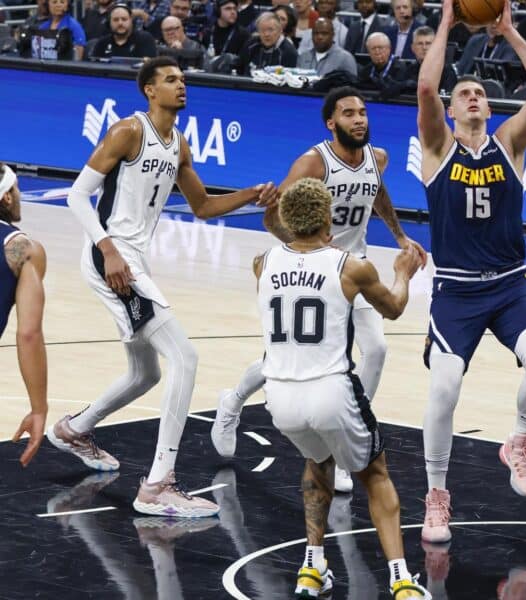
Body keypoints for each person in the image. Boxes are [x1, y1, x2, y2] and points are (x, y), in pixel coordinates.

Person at [50, 57, 279, 518]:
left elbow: (203, 207)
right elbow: (76, 194)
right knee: (185, 357)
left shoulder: (180, 144)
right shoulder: (127, 131)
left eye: (183, 78)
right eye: (171, 80)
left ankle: (74, 430)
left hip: (132, 258)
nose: (182, 85)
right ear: (149, 91)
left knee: (146, 374)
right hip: (112, 257)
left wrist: (251, 196)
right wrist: (108, 247)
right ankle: (157, 486)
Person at [212, 86, 426, 495]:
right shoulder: (313, 162)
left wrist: (399, 235)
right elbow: (274, 219)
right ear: (332, 123)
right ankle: (233, 400)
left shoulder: (377, 158)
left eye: (363, 112)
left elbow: (376, 191)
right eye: (349, 113)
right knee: (294, 356)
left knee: (377, 351)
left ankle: (348, 440)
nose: (359, 119)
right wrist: (306, 245)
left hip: (354, 267)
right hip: (310, 267)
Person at [416, 0, 526, 544]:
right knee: (444, 391)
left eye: (480, 94)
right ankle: (436, 495)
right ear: (452, 111)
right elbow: (426, 90)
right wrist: (449, 22)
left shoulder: (510, 145)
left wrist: (511, 32)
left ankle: (519, 441)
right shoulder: (437, 148)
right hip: (456, 292)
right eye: (465, 95)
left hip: (509, 283)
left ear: (489, 109)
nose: (474, 97)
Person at [255, 177, 429, 599]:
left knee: (318, 463)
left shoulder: (262, 263)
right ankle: (402, 580)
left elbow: (292, 246)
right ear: (328, 218)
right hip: (330, 390)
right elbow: (394, 308)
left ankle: (312, 569)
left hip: (279, 396)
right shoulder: (351, 266)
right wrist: (403, 272)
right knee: (375, 473)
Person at [0, 163, 49, 468]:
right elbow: (29, 334)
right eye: (16, 189)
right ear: (6, 196)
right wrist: (39, 408)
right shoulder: (23, 249)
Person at [91, 5, 158, 60]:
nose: (120, 23)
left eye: (124, 19)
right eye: (116, 20)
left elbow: (149, 69)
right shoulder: (102, 43)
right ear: (109, 23)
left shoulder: (145, 39)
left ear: (131, 21)